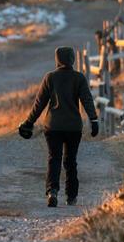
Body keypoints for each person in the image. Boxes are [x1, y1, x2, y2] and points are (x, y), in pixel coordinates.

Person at [19, 46, 99, 207]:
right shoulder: (79, 78)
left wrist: (29, 123)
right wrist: (94, 120)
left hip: (53, 126)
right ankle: (71, 196)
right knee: (71, 161)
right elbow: (87, 100)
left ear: (57, 59)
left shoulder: (50, 78)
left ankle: (52, 191)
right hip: (73, 127)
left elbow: (39, 104)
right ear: (72, 59)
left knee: (53, 159)